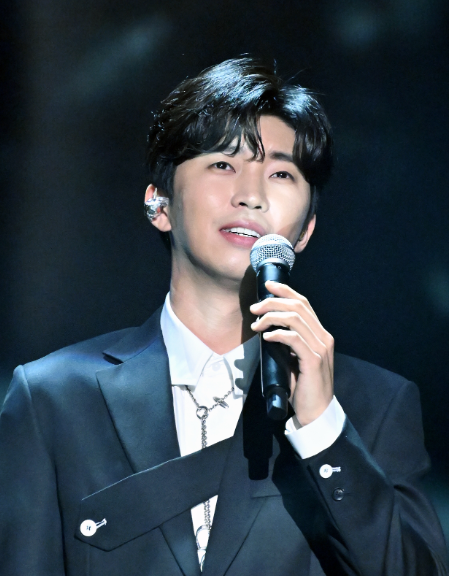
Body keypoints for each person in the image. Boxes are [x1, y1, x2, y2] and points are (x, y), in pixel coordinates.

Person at [0, 57, 447, 576]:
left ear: (305, 230)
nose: (251, 196)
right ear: (159, 204)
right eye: (223, 165)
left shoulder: (374, 406)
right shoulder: (54, 399)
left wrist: (323, 428)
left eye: (281, 173)